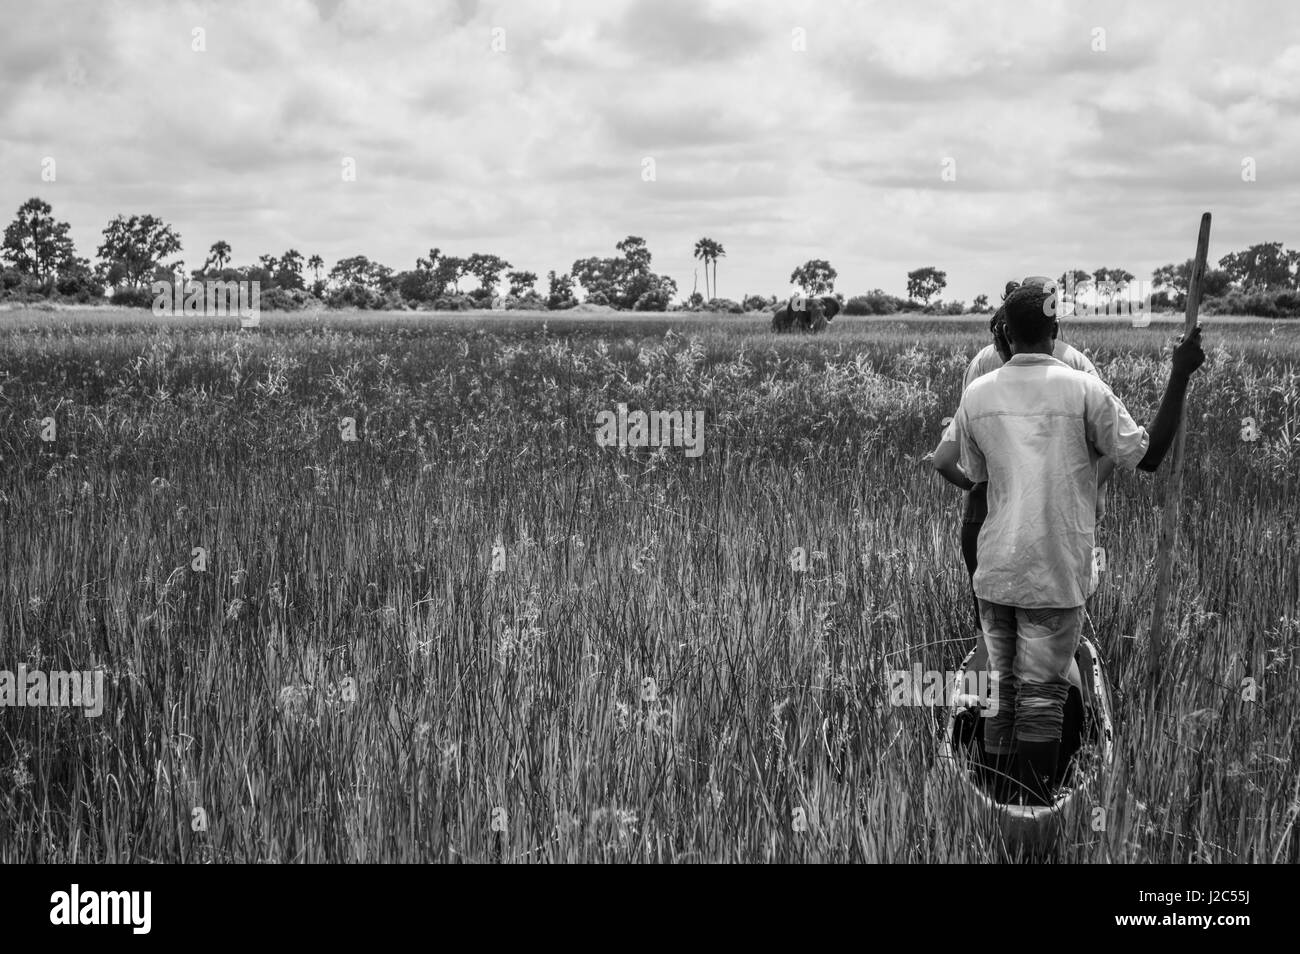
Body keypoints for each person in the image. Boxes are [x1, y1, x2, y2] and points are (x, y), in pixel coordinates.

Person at [948, 283, 1205, 805]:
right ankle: (1035, 800)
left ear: (1006, 332)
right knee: (1042, 698)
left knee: (1003, 691)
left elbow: (974, 476)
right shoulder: (1084, 388)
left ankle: (997, 798)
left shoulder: (978, 395)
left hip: (996, 570)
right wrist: (1180, 373)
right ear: (1056, 330)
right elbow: (1148, 456)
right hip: (1053, 571)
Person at [931, 278, 1113, 626]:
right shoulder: (1077, 366)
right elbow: (1111, 446)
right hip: (1059, 509)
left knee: (995, 630)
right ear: (1054, 321)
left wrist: (978, 486)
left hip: (988, 508)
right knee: (1054, 624)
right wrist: (1089, 493)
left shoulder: (982, 368)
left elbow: (945, 457)